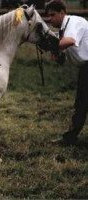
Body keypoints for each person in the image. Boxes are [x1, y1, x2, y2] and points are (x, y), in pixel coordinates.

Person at [45, 0, 88, 145]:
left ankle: (70, 138)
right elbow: (60, 58)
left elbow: (69, 41)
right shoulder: (63, 29)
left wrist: (50, 45)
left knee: (81, 104)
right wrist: (56, 53)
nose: (49, 19)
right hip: (85, 68)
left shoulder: (73, 22)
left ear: (62, 13)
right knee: (81, 104)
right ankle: (70, 138)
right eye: (48, 16)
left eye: (52, 15)